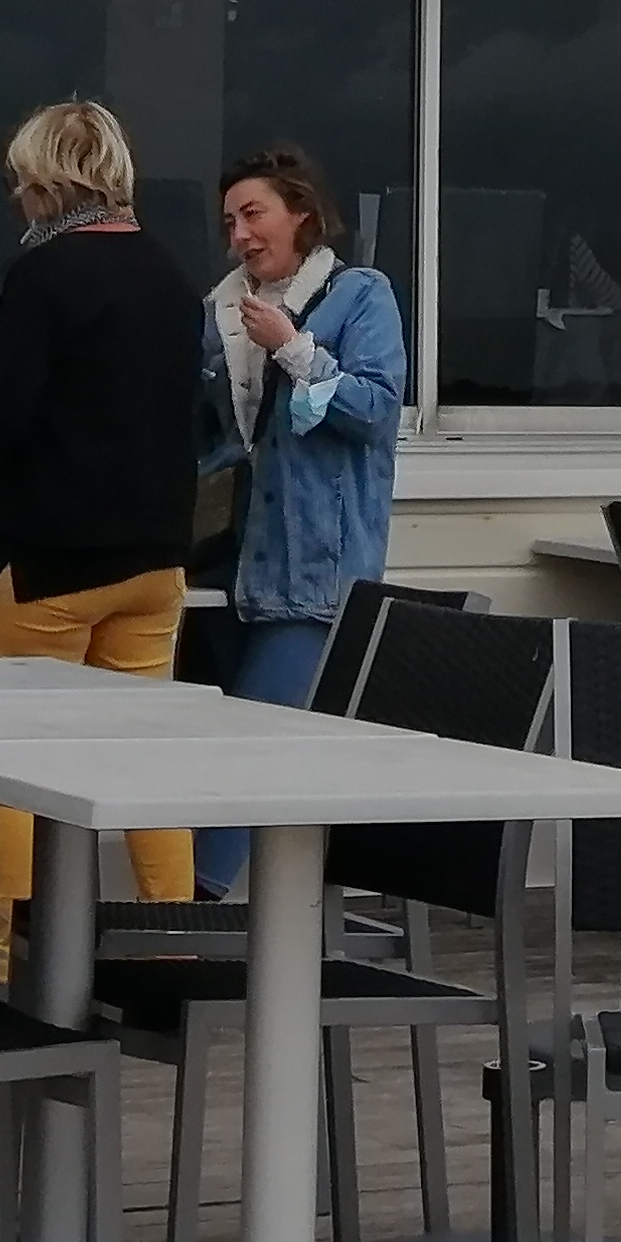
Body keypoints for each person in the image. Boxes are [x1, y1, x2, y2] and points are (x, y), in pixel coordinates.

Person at [0, 97, 203, 951]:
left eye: (21, 181)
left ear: (46, 181)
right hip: (155, 558)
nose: (18, 197)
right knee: (148, 760)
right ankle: (172, 946)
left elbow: (6, 420)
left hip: (51, 559)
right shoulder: (170, 275)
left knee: (18, 768)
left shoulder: (42, 274)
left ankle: (19, 959)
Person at [189, 142, 407, 900]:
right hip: (220, 567)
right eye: (229, 222)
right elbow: (199, 433)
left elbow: (376, 410)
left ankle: (187, 918)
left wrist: (293, 351)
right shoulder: (217, 314)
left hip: (312, 569)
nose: (240, 236)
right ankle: (190, 916)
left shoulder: (360, 295)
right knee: (208, 748)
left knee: (254, 747)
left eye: (253, 214)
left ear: (302, 214)